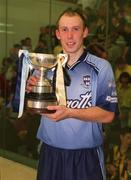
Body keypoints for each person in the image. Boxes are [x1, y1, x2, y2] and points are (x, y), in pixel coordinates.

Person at [25, 8, 119, 180]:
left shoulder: (101, 68)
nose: (70, 36)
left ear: (85, 32)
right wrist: (31, 97)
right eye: (64, 29)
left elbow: (108, 115)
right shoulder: (45, 67)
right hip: (50, 154)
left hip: (86, 157)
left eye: (75, 29)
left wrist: (69, 112)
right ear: (57, 33)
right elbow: (33, 112)